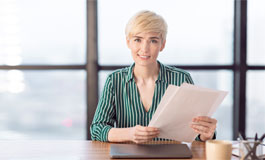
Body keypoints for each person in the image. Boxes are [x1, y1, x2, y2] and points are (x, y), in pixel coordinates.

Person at [90, 10, 217, 143]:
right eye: (138, 40)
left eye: (153, 41)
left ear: (162, 45)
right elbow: (97, 129)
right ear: (128, 43)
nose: (144, 49)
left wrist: (206, 134)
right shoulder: (115, 80)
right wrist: (129, 133)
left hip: (170, 157)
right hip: (128, 157)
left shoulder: (181, 79)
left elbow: (195, 133)